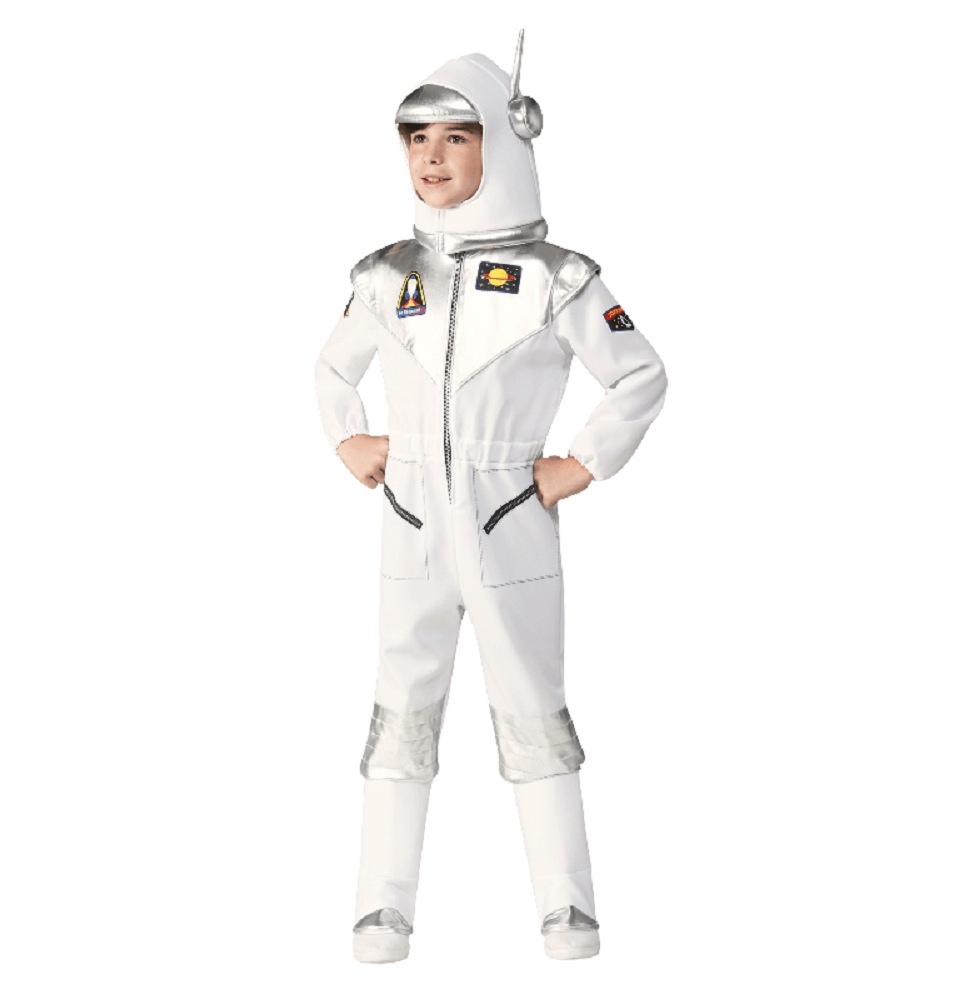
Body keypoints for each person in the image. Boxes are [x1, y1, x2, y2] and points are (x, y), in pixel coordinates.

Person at [314, 36, 667, 963]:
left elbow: (638, 373)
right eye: (416, 137)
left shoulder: (557, 277)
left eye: (457, 136)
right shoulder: (386, 274)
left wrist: (580, 463)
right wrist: (349, 436)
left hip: (510, 516)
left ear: (504, 145)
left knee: (533, 706)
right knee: (400, 708)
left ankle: (567, 908)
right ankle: (381, 908)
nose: (431, 157)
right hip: (411, 519)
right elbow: (332, 369)